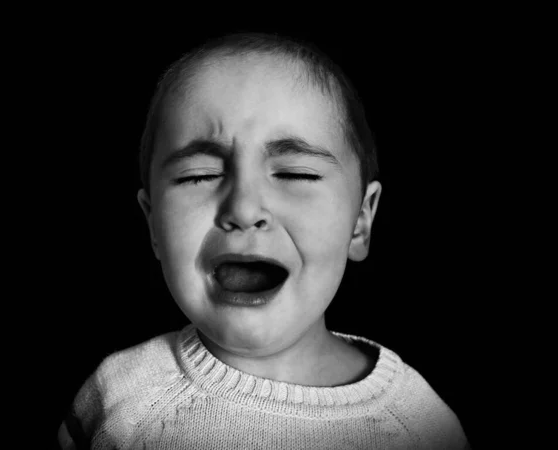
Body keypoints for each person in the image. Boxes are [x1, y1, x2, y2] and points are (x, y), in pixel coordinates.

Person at [57, 31, 470, 449]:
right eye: (198, 175)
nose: (244, 209)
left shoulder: (421, 425)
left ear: (360, 222)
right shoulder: (120, 400)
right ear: (153, 226)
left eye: (296, 174)